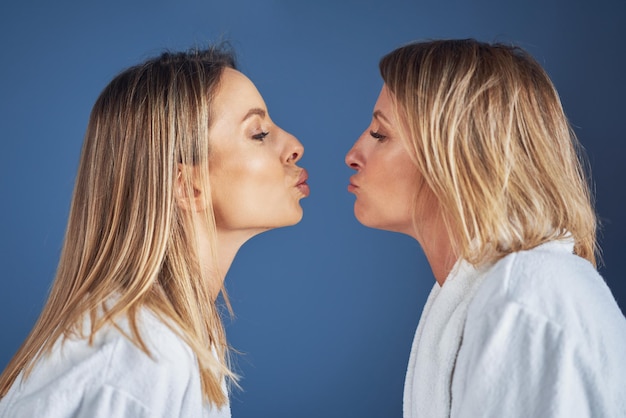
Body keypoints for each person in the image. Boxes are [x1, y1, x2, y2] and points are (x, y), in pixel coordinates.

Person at [0, 44, 309, 417]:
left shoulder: (176, 340)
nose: (294, 146)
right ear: (187, 186)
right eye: (258, 133)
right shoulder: (141, 354)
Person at [345, 39, 626, 417]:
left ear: (456, 154)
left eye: (380, 135)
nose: (353, 155)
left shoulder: (524, 302)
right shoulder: (486, 296)